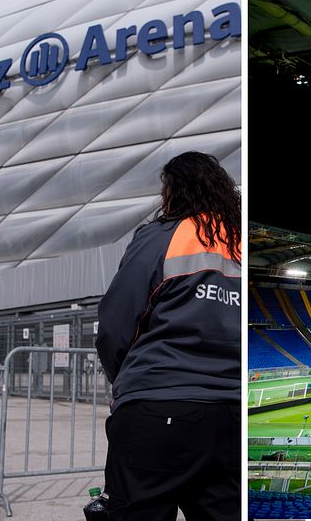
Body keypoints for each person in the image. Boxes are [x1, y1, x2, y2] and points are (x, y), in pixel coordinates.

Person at [96, 152, 241, 521]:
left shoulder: (163, 235)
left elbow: (116, 321)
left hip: (158, 405)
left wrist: (124, 382)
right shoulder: (242, 243)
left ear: (174, 192)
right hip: (232, 415)